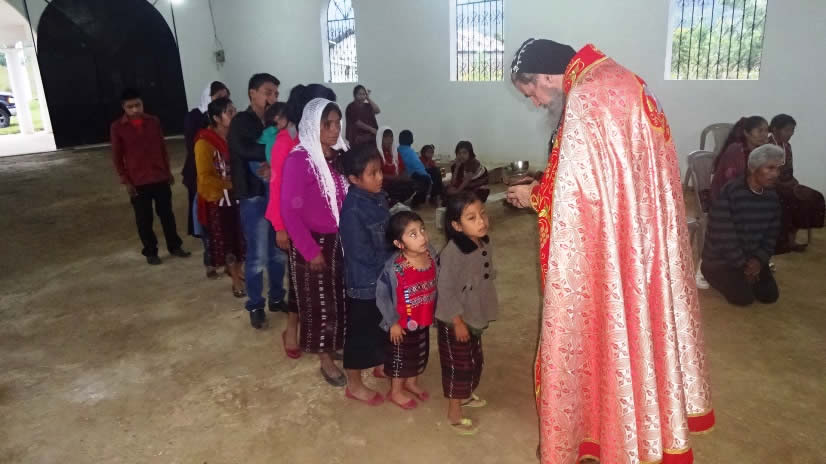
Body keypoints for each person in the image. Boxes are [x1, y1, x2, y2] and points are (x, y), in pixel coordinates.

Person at [505, 39, 714, 463]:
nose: (536, 103)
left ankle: (617, 436)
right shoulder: (620, 80)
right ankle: (649, 424)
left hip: (615, 247)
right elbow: (599, 178)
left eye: (532, 94)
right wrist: (546, 184)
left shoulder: (586, 97)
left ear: (545, 77)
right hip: (641, 240)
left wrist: (535, 197)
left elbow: (580, 200)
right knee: (641, 328)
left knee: (605, 326)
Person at [280, 98, 349, 386]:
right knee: (319, 303)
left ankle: (334, 343)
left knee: (338, 298)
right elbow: (289, 211)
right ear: (312, 125)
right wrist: (309, 250)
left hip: (339, 240)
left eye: (337, 123)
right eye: (327, 124)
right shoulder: (300, 160)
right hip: (313, 242)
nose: (334, 130)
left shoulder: (339, 156)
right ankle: (324, 358)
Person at [267, 84, 337, 357]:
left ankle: (313, 333)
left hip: (318, 222)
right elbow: (277, 187)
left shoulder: (325, 144)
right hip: (294, 224)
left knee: (309, 284)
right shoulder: (287, 142)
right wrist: (280, 227)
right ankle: (291, 329)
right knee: (299, 282)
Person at [227, 73, 286, 329]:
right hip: (253, 195)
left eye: (276, 93)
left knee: (278, 252)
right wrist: (275, 154)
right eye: (268, 92)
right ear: (252, 93)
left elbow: (283, 146)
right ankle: (255, 305)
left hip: (276, 193)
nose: (272, 98)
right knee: (258, 254)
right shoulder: (241, 121)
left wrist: (274, 159)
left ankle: (277, 297)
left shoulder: (276, 120)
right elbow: (244, 149)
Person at [436, 191, 498, 436]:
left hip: (473, 315)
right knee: (458, 366)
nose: (481, 221)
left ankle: (466, 395)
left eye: (482, 214)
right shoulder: (452, 253)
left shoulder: (483, 242)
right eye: (472, 218)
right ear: (456, 226)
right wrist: (457, 321)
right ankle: (454, 412)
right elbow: (445, 289)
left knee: (474, 359)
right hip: (455, 320)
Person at [111, 88, 190, 265]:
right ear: (123, 107)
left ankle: (174, 246)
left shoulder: (153, 121)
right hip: (137, 181)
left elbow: (162, 148)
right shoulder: (117, 127)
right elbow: (117, 157)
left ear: (142, 103)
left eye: (138, 105)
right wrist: (126, 181)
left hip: (159, 176)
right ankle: (150, 251)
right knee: (144, 219)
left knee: (167, 214)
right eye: (130, 107)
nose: (135, 110)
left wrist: (167, 171)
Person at [339, 143, 392, 406]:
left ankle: (380, 363)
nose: (380, 177)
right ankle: (354, 384)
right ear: (354, 179)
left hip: (383, 278)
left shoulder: (378, 198)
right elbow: (360, 253)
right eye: (373, 173)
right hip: (364, 284)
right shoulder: (352, 210)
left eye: (380, 171)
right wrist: (395, 260)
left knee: (383, 324)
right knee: (360, 334)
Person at [702, 144, 783, 306]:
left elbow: (771, 235)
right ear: (753, 168)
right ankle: (708, 273)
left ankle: (746, 276)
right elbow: (724, 235)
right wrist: (743, 265)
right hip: (722, 260)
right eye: (770, 168)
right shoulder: (731, 192)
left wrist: (758, 261)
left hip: (752, 258)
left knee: (769, 296)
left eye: (778, 169)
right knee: (743, 299)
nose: (776, 174)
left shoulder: (772, 198)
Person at [376, 211, 437, 410]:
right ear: (399, 244)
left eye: (422, 230)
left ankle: (411, 383)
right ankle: (395, 391)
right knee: (400, 358)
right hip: (401, 325)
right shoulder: (394, 269)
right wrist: (392, 322)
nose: (422, 236)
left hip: (423, 317)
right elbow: (382, 296)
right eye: (413, 234)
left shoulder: (431, 255)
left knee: (418, 353)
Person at [194, 97, 246, 297]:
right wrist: (232, 184)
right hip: (219, 201)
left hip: (238, 197)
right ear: (216, 118)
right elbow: (205, 177)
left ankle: (237, 271)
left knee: (241, 239)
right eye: (229, 112)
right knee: (228, 242)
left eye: (234, 110)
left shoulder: (235, 137)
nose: (234, 115)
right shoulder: (204, 143)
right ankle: (235, 281)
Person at [183, 81, 229, 278]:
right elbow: (192, 145)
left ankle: (227, 260)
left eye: (225, 96)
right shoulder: (195, 118)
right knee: (206, 219)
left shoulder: (228, 122)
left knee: (225, 222)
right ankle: (210, 261)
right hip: (199, 174)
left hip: (223, 178)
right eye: (218, 97)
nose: (222, 100)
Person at [768, 114, 825, 253]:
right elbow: (766, 174)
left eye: (792, 130)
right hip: (770, 186)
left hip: (787, 184)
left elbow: (789, 171)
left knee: (815, 196)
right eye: (787, 130)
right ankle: (783, 243)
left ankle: (792, 240)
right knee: (791, 201)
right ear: (775, 129)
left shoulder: (787, 146)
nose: (791, 134)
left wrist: (795, 185)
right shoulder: (767, 146)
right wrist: (787, 186)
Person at [710, 116, 768, 201]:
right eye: (760, 131)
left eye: (766, 131)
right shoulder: (735, 150)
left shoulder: (762, 151)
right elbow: (731, 182)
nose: (764, 135)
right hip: (727, 197)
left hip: (747, 193)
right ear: (746, 133)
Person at [375, 126, 416, 205]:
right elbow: (376, 174)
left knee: (413, 183)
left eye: (391, 137)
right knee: (399, 187)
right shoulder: (376, 153)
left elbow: (403, 168)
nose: (389, 140)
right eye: (386, 137)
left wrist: (405, 176)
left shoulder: (395, 153)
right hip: (383, 185)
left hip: (396, 182)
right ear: (380, 139)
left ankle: (398, 203)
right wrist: (396, 178)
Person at [397, 130, 432, 208]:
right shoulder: (410, 152)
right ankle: (416, 202)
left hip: (402, 174)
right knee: (427, 178)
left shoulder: (397, 149)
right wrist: (428, 177)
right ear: (411, 140)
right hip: (409, 175)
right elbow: (418, 168)